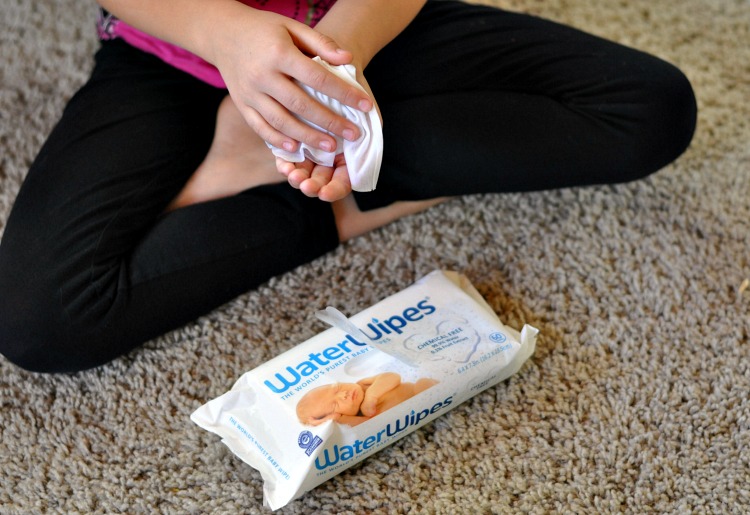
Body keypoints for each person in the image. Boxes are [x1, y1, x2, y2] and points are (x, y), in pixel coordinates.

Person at [0, 0, 697, 373]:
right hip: (175, 50)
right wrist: (233, 38)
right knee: (39, 319)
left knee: (650, 110)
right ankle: (322, 170)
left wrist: (333, 69)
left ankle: (284, 166)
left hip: (352, 29)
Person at [296, 373, 438, 426]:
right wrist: (335, 418)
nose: (343, 394)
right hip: (414, 414)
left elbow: (393, 377)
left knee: (423, 383)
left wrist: (371, 396)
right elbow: (370, 425)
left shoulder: (362, 385)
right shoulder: (357, 417)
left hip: (417, 391)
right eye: (335, 404)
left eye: (337, 388)